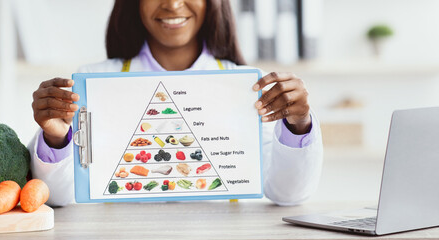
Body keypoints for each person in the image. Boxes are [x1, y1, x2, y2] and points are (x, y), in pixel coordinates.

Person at [29, 0, 323, 207]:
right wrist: (56, 139)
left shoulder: (244, 84)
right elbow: (57, 197)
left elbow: (288, 193)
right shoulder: (92, 82)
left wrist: (299, 125)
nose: (172, 4)